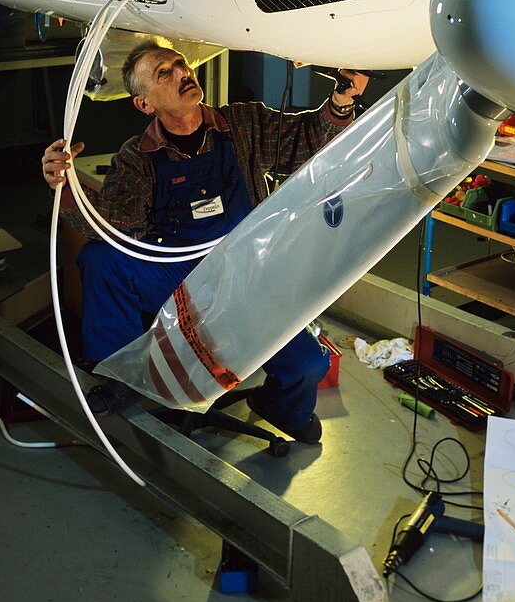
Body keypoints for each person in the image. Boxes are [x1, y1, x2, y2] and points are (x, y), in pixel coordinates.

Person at [41, 41, 368, 442]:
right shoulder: (137, 157)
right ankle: (122, 375)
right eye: (165, 73)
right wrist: (67, 188)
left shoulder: (243, 124)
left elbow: (307, 141)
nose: (183, 73)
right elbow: (120, 225)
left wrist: (341, 100)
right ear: (144, 104)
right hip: (174, 274)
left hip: (243, 269)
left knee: (308, 367)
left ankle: (279, 405)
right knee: (101, 259)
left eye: (180, 64)